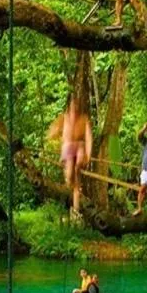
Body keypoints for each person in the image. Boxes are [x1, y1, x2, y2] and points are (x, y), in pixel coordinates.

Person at [51, 55, 93, 217]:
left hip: (79, 148)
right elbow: (54, 130)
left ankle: (76, 207)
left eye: (76, 107)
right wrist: (52, 137)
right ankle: (74, 207)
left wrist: (88, 154)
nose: (74, 110)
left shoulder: (83, 120)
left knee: (79, 159)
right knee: (70, 179)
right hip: (68, 149)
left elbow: (88, 137)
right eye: (71, 107)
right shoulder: (64, 118)